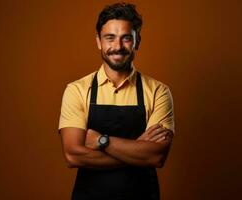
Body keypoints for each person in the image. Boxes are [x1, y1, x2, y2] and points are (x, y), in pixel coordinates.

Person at [58, 2, 174, 200]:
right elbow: (73, 155)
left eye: (126, 38)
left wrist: (101, 141)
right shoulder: (77, 90)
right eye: (110, 38)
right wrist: (137, 150)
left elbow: (156, 156)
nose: (117, 47)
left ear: (137, 41)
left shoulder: (158, 91)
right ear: (98, 41)